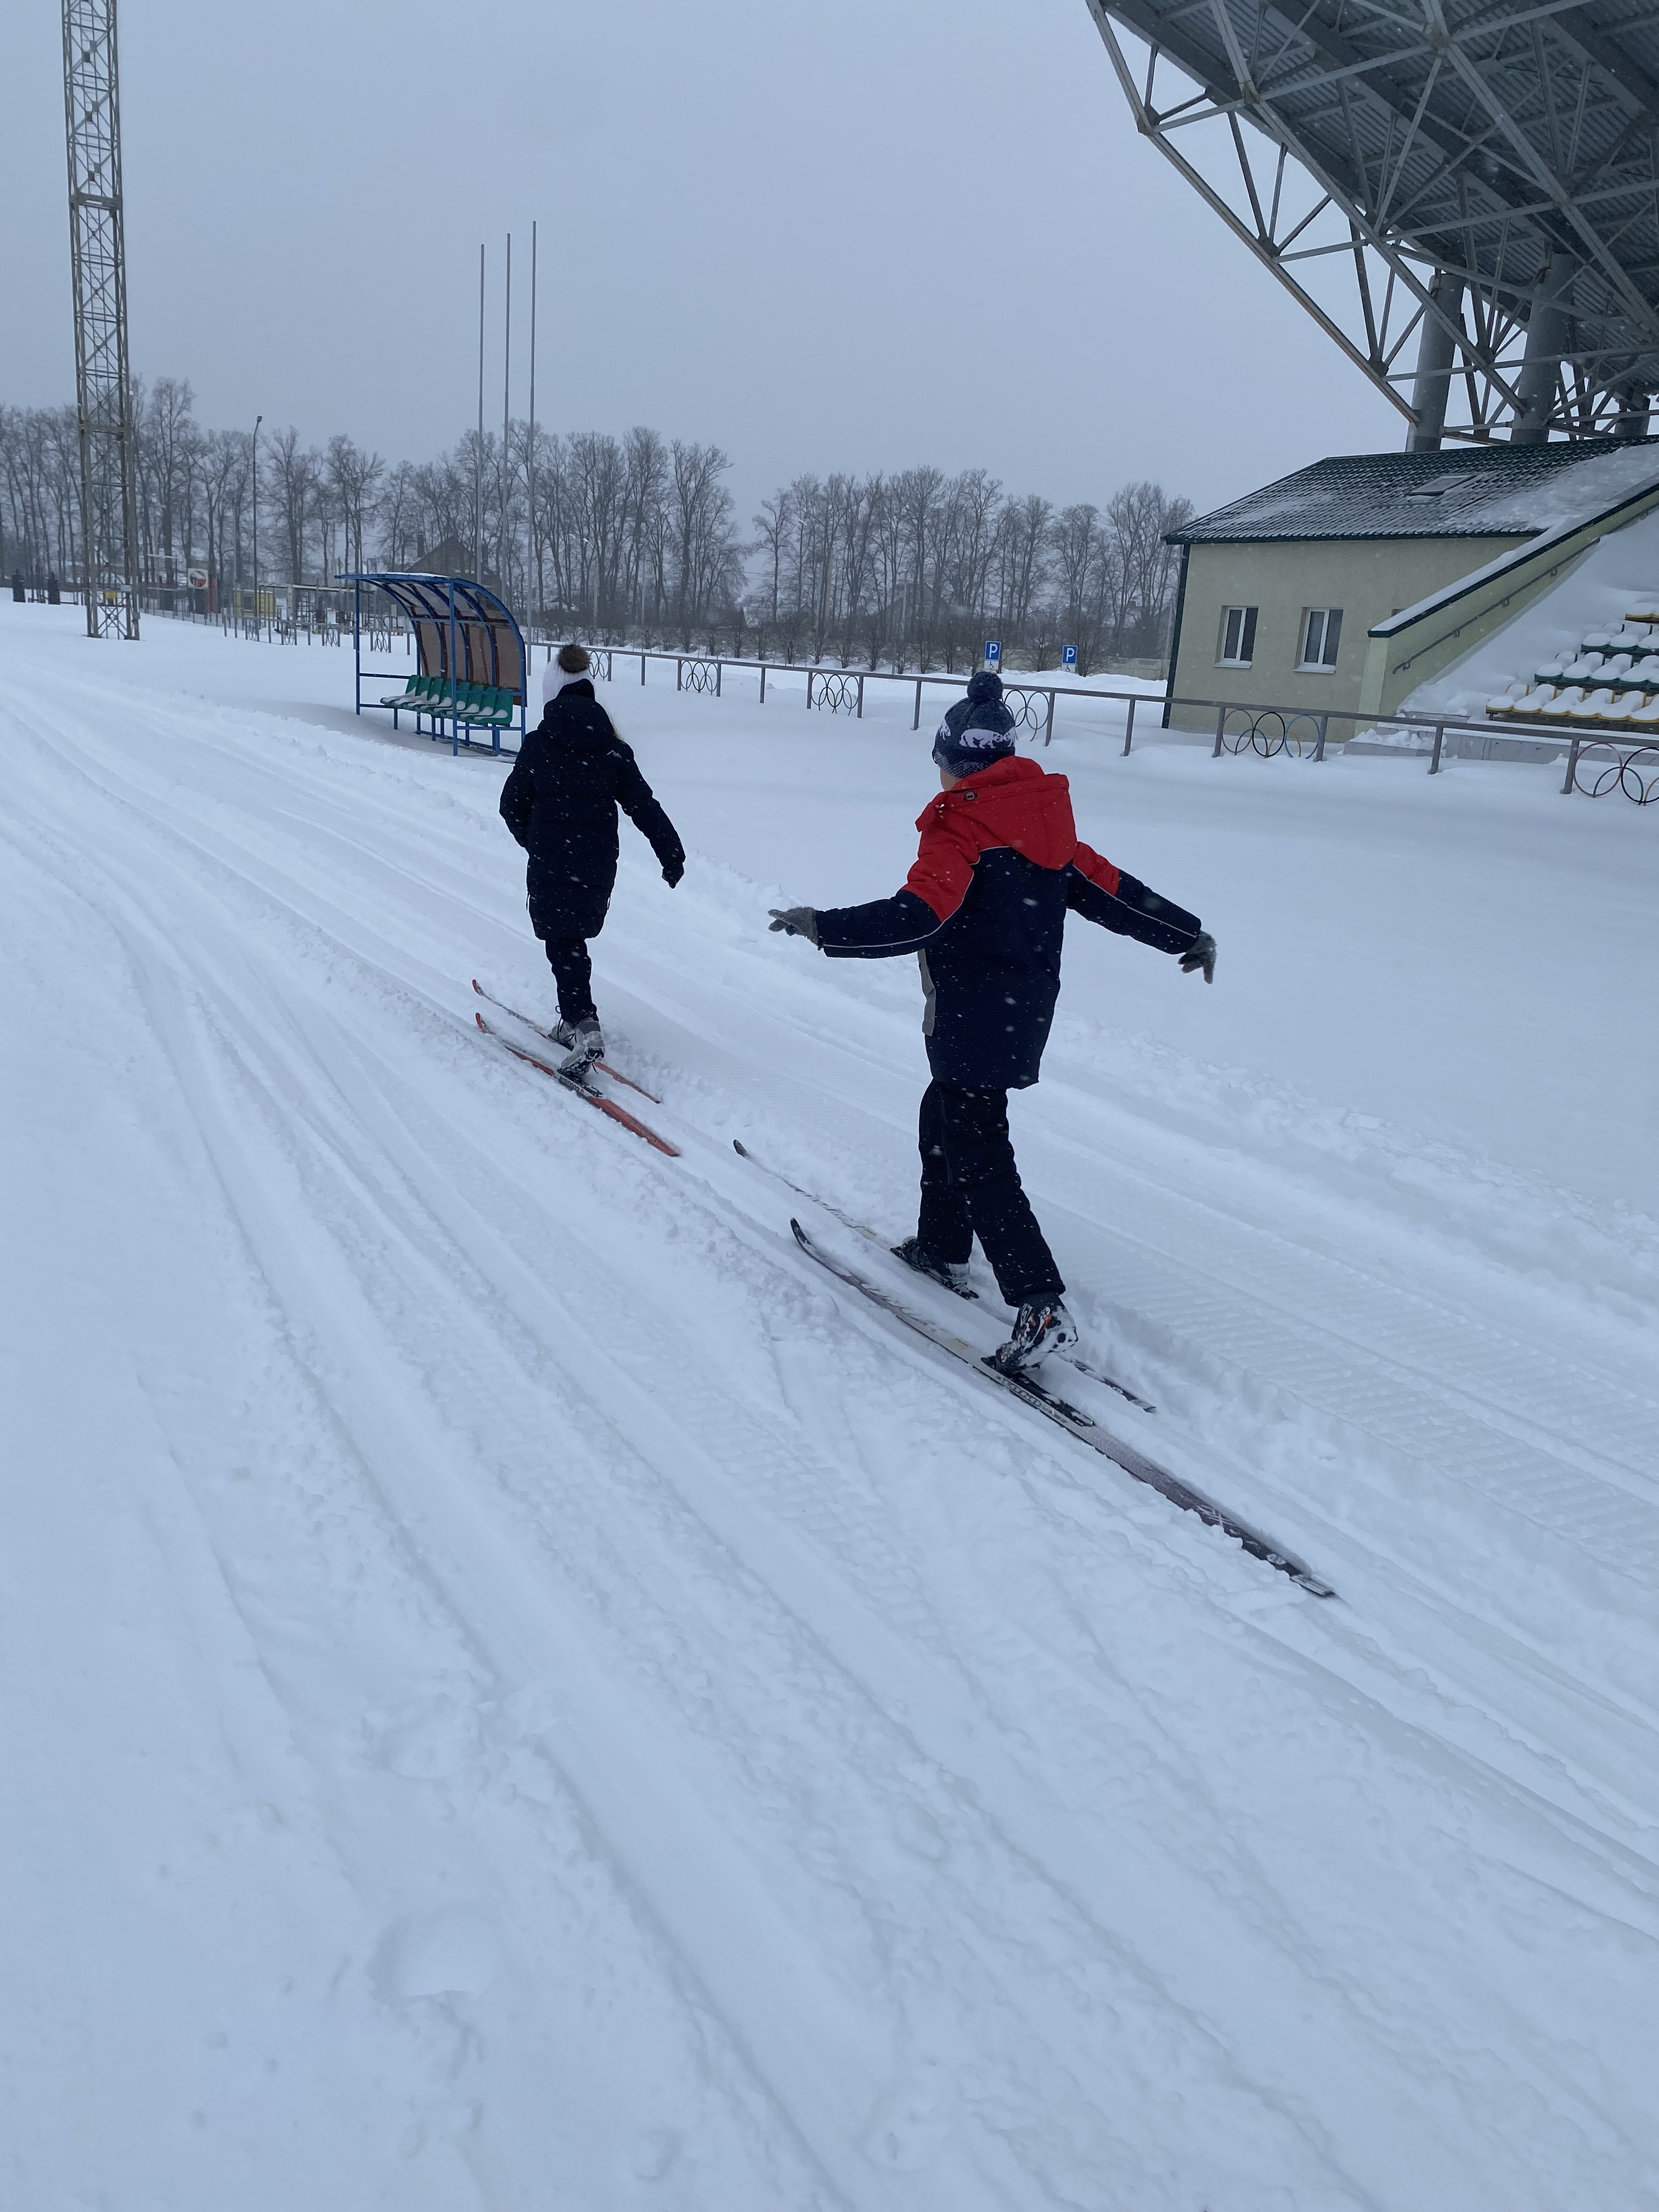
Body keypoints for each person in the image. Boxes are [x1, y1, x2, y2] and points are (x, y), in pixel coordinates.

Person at [769, 670, 1216, 1376]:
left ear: (959, 763)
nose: (939, 776)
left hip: (973, 1010)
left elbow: (921, 915)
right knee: (944, 1114)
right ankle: (941, 1245)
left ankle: (1038, 1302)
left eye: (942, 762)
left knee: (979, 1148)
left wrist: (825, 927)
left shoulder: (962, 829)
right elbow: (1113, 892)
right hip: (1021, 1011)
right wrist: (1187, 934)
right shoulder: (1045, 823)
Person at [499, 642, 685, 1073]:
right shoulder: (614, 750)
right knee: (572, 938)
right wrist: (671, 854)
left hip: (551, 858)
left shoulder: (539, 745)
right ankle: (572, 1019)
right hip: (598, 864)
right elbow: (644, 806)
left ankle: (585, 1024)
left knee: (562, 941)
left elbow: (511, 805)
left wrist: (534, 840)